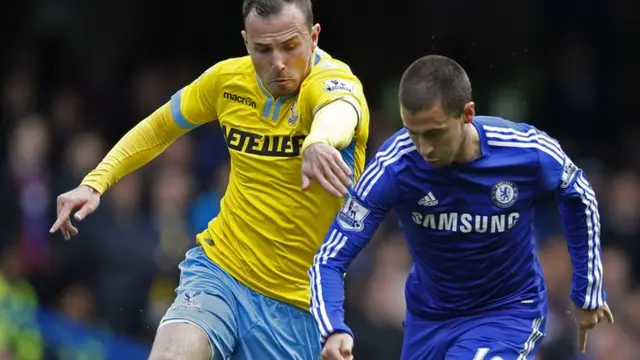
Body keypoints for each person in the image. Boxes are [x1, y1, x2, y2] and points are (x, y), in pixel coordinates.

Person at [50, 0, 370, 359]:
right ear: (246, 42)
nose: (278, 62)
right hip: (222, 271)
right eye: (263, 49)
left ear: (313, 37)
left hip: (300, 302)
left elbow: (340, 113)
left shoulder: (334, 81)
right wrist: (96, 181)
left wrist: (318, 142)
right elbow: (160, 128)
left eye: (290, 46)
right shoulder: (226, 81)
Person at [310, 54, 612, 360]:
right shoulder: (394, 166)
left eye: (434, 133)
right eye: (412, 133)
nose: (423, 148)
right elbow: (330, 258)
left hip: (508, 313)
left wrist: (588, 289)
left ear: (467, 114)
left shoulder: (524, 150)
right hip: (429, 322)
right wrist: (333, 328)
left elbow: (579, 194)